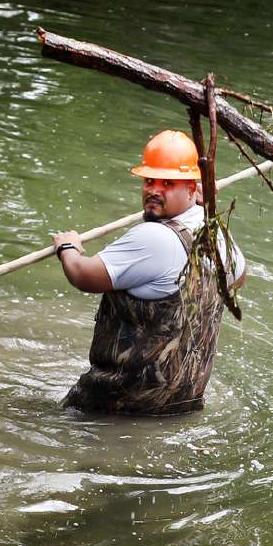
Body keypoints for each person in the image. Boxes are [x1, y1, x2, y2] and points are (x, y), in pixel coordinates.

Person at [52, 130, 245, 415]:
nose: (154, 190)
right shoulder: (217, 235)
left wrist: (68, 246)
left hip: (115, 407)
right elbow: (238, 277)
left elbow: (82, 275)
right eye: (149, 180)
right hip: (182, 407)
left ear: (193, 189)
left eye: (168, 183)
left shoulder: (152, 238)